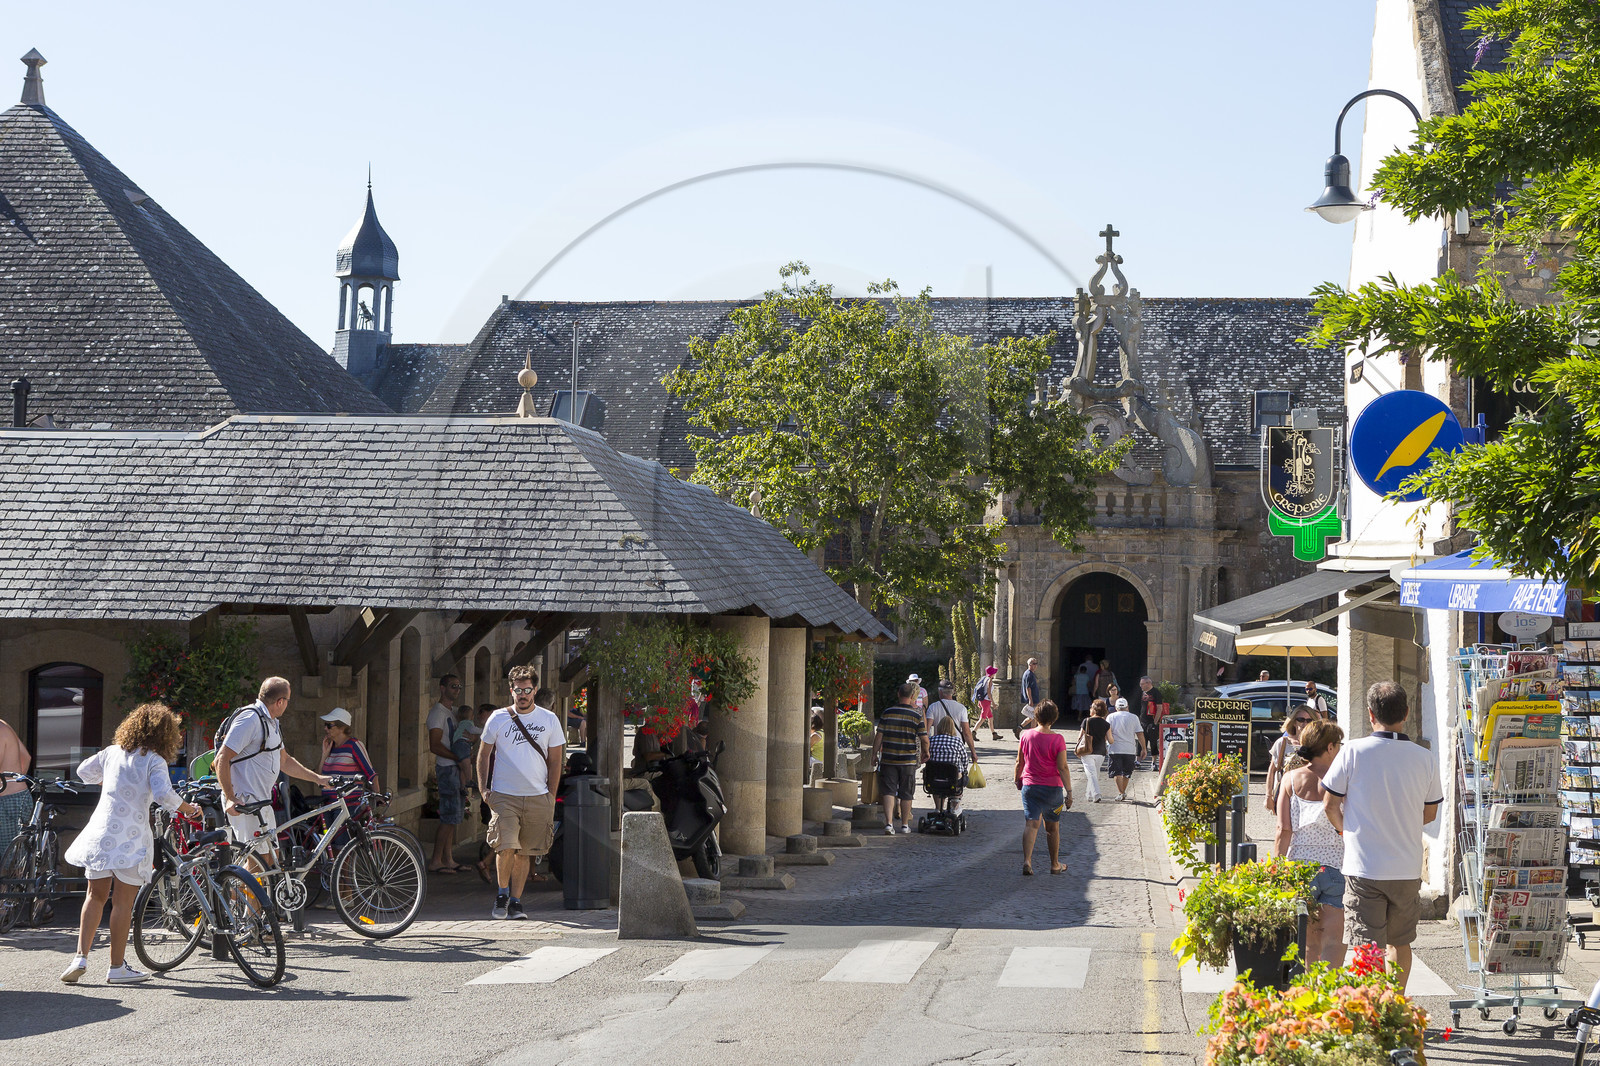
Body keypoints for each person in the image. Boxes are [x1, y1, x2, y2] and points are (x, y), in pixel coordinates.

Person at [61, 703, 203, 985]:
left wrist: (110, 782)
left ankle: (80, 957)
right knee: (122, 903)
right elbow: (164, 794)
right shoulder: (154, 760)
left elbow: (82, 772)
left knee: (95, 896)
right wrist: (189, 809)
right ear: (165, 734)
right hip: (131, 837)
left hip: (101, 832)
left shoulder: (112, 753)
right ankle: (116, 968)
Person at [1322, 681, 1443, 993]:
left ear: (1370, 714)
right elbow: (1430, 815)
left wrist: (1344, 830)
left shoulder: (1353, 753)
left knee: (1367, 946)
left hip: (1364, 865)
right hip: (1405, 867)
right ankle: (1396, 1003)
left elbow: (1330, 804)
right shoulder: (1424, 757)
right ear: (1405, 714)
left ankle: (1372, 1008)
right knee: (1399, 943)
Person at [477, 666, 564, 920]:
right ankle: (502, 893)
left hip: (537, 795)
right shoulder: (498, 718)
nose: (523, 694)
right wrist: (484, 789)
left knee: (525, 851)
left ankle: (516, 902)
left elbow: (556, 760)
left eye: (527, 690)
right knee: (505, 847)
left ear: (535, 690)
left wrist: (551, 794)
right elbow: (483, 755)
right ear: (511, 690)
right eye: (518, 690)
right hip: (504, 795)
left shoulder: (549, 719)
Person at [218, 677, 328, 869]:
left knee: (270, 861)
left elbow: (284, 761)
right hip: (245, 802)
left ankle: (232, 895)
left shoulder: (272, 723)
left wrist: (318, 779)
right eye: (288, 701)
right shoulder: (250, 720)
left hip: (263, 802)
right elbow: (221, 758)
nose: (287, 705)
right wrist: (229, 798)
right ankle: (226, 896)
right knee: (256, 868)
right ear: (280, 702)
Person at [1274, 719, 1347, 967]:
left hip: (1300, 868)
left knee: (1307, 936)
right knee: (1335, 938)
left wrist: (1276, 869)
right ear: (1328, 747)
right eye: (1338, 744)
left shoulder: (1291, 780)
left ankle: (1308, 990)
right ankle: (1329, 990)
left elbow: (1283, 830)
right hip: (1337, 864)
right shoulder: (1344, 780)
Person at [1015, 700, 1070, 876]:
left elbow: (1019, 762)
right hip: (1053, 789)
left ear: (1036, 716)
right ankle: (1054, 864)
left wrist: (1017, 779)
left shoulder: (1025, 735)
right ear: (1054, 718)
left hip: (1030, 786)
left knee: (1031, 824)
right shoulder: (1058, 739)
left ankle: (1027, 861)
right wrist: (1069, 791)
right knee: (1052, 828)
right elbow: (1062, 767)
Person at [426, 675, 470, 874]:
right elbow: (434, 745)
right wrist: (457, 758)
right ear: (442, 688)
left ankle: (448, 858)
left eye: (459, 686)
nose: (457, 690)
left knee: (454, 817)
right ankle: (436, 860)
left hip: (456, 768)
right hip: (447, 768)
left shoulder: (453, 713)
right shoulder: (437, 713)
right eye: (453, 686)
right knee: (448, 816)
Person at [872, 682, 928, 835]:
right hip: (908, 760)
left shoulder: (887, 713)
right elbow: (924, 738)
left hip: (888, 759)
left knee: (888, 792)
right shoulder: (916, 715)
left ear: (898, 694)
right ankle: (904, 825)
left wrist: (874, 755)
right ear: (912, 696)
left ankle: (889, 824)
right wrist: (926, 752)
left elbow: (879, 736)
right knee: (906, 793)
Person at [1264, 707, 1314, 814]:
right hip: (1286, 795)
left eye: (1309, 720)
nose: (1304, 723)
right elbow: (1272, 770)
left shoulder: (1316, 745)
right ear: (1294, 722)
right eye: (1301, 719)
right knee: (1284, 828)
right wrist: (1268, 796)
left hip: (1310, 798)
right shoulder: (1282, 743)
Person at [317, 707, 378, 791]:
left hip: (350, 803)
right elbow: (319, 778)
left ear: (342, 728)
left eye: (329, 725)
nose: (325, 728)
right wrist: (324, 755)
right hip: (330, 803)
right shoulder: (330, 747)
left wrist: (378, 798)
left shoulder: (354, 745)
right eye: (325, 725)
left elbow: (371, 774)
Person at [927, 717, 971, 816]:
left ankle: (938, 808)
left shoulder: (931, 740)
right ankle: (955, 807)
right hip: (953, 778)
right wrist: (964, 770)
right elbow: (964, 760)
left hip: (934, 777)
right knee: (961, 778)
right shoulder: (957, 741)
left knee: (936, 784)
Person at [0, 716, 31, 856]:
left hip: (7, 801)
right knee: (16, 859)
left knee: (7, 862)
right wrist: (15, 781)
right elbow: (26, 757)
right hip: (19, 796)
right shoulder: (3, 725)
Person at [1106, 697, 1146, 802]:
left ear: (1116, 707)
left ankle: (1121, 792)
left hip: (1115, 748)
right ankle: (1122, 792)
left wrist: (1106, 745)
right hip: (1129, 749)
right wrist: (1144, 748)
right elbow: (1140, 733)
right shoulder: (1134, 717)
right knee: (1127, 772)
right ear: (1127, 707)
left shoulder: (1111, 717)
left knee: (1117, 772)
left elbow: (1106, 733)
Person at [926, 679, 977, 761]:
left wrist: (925, 749)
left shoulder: (933, 707)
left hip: (937, 745)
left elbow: (927, 730)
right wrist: (973, 752)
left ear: (940, 691)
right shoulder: (961, 708)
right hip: (956, 746)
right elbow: (966, 732)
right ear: (952, 692)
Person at [1076, 698, 1111, 803]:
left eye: (1091, 707)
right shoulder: (1106, 724)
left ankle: (1096, 794)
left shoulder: (1086, 721)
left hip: (1087, 751)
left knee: (1091, 774)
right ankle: (1089, 794)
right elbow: (1110, 740)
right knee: (1094, 773)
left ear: (1094, 710)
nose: (1090, 708)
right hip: (1100, 752)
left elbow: (1079, 737)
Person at [973, 666, 1000, 741]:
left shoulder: (984, 679)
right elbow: (988, 693)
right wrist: (993, 703)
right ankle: (973, 732)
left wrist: (979, 701)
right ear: (992, 673)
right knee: (982, 718)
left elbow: (981, 690)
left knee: (990, 717)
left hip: (983, 700)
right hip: (986, 701)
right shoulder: (990, 680)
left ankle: (994, 734)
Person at [1017, 657, 1042, 736]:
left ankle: (1021, 728)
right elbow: (1028, 688)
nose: (1036, 665)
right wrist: (1030, 699)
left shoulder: (1030, 673)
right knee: (1035, 716)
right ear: (1030, 665)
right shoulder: (1029, 674)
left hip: (1034, 698)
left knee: (1033, 716)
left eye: (1036, 663)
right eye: (1034, 664)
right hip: (1032, 698)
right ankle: (1032, 732)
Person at [809, 713, 825, 784]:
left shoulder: (815, 735)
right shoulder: (822, 733)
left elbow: (806, 748)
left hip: (816, 760)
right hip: (821, 759)